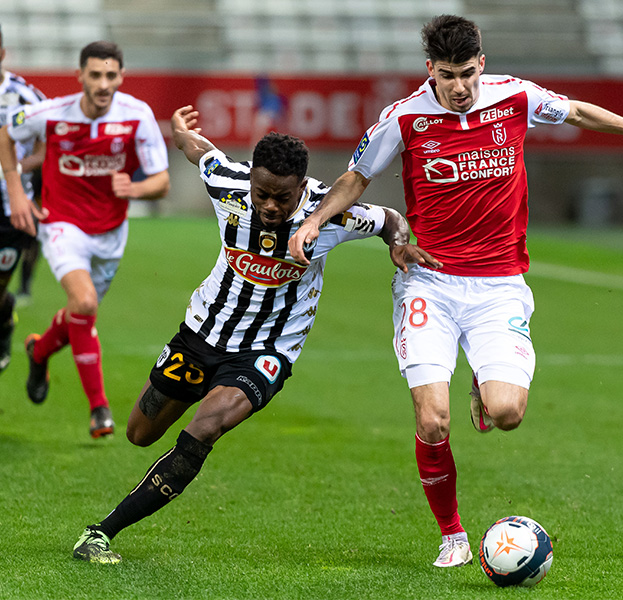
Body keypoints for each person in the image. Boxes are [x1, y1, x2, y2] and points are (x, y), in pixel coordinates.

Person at [288, 14, 623, 568]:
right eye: (447, 76)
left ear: (482, 64)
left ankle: (485, 384)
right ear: (430, 70)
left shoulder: (515, 97)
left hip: (499, 286)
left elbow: (578, 112)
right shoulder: (404, 117)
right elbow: (357, 178)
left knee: (507, 414)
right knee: (432, 419)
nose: (459, 87)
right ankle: (452, 535)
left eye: (467, 73)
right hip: (429, 283)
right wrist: (314, 221)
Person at [71, 105, 432, 563]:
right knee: (139, 434)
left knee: (207, 426)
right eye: (262, 194)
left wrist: (399, 244)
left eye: (283, 198)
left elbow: (390, 219)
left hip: (267, 352)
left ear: (302, 188)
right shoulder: (227, 183)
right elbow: (199, 150)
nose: (271, 206)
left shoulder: (330, 213)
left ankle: (102, 532)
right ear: (251, 182)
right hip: (201, 334)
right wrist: (179, 132)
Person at [0, 41, 170, 438]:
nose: (103, 84)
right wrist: (17, 192)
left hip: (110, 232)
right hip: (61, 224)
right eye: (95, 75)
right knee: (85, 303)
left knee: (81, 312)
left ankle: (39, 350)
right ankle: (99, 408)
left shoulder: (137, 116)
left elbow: (161, 182)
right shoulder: (52, 113)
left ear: (121, 77)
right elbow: (7, 134)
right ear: (80, 76)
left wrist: (134, 189)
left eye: (111, 75)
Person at [0, 25, 46, 373]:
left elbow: (48, 147)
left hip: (10, 210)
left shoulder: (26, 97)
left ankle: (4, 319)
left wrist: (13, 167)